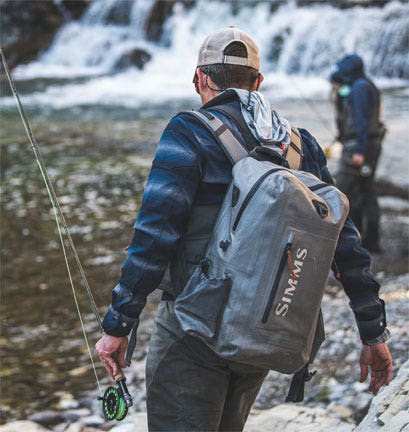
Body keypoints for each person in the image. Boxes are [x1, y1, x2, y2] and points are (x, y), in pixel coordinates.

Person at [96, 28, 393, 431]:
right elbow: (345, 244)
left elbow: (153, 238)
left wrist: (118, 324)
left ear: (200, 78)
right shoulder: (300, 144)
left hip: (191, 331)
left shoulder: (189, 133)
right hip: (262, 329)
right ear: (258, 82)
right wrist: (372, 331)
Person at [330, 54, 386, 253]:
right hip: (367, 145)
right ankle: (369, 241)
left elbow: (361, 120)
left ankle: (354, 240)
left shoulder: (360, 87)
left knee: (344, 190)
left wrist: (360, 150)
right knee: (366, 190)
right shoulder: (364, 84)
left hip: (360, 148)